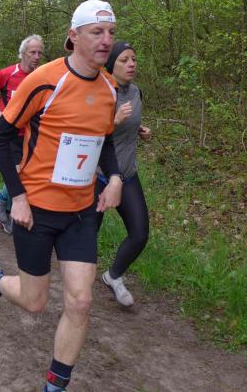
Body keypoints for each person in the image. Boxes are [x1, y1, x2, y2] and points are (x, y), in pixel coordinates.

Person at [0, 0, 123, 392]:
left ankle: (55, 386)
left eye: (111, 32)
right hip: (37, 209)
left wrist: (115, 178)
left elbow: (106, 141)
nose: (106, 40)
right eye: (97, 32)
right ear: (74, 36)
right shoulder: (44, 80)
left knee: (81, 301)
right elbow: (0, 137)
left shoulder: (110, 87)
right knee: (35, 302)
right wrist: (18, 197)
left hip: (81, 212)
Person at [95, 41, 151, 307]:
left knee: (140, 234)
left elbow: (131, 123)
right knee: (85, 238)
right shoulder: (100, 92)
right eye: (124, 60)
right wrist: (113, 122)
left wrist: (140, 130)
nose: (131, 64)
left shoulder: (136, 92)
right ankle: (76, 290)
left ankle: (113, 276)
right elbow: (86, 132)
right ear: (111, 64)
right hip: (98, 176)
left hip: (127, 174)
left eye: (134, 59)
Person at [0, 35, 44, 234]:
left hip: (33, 135)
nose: (37, 56)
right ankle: (3, 204)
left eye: (40, 53)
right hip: (10, 134)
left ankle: (5, 205)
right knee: (17, 172)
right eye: (33, 52)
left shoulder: (42, 76)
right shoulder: (7, 74)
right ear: (23, 53)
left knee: (28, 175)